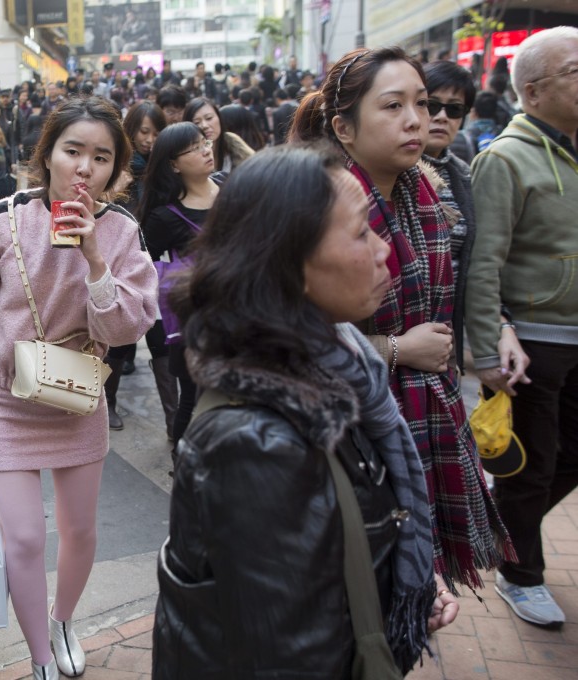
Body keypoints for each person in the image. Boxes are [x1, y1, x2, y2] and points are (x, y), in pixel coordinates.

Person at [154, 144, 456, 679]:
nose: (386, 250)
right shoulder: (253, 442)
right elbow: (288, 656)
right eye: (362, 232)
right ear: (290, 265)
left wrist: (392, 586)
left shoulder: (339, 366)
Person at [0, 96, 158, 680]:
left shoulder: (120, 231)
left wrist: (94, 256)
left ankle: (63, 619)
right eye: (73, 152)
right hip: (1, 396)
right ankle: (41, 655)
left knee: (80, 529)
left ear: (116, 169)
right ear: (47, 155)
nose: (84, 168)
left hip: (75, 396)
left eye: (101, 157)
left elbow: (123, 328)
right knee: (22, 539)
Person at [290, 46, 514, 592]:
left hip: (424, 407)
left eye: (423, 103)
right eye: (393, 106)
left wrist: (495, 324)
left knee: (406, 585)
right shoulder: (316, 206)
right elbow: (288, 338)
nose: (417, 120)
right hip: (345, 426)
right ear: (343, 127)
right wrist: (395, 350)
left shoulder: (429, 196)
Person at [467, 26, 578, 628]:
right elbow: (484, 263)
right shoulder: (504, 159)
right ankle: (521, 573)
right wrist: (487, 345)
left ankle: (501, 522)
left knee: (566, 456)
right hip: (528, 344)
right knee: (528, 464)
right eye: (576, 69)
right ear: (533, 91)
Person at [420, 60, 519, 375]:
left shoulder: (464, 175)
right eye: (431, 105)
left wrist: (501, 325)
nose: (440, 117)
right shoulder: (388, 171)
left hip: (447, 337)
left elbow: (481, 261)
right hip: (401, 335)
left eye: (454, 110)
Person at [139, 123, 223, 447]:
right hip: (193, 325)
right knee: (191, 398)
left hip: (240, 316)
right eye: (194, 147)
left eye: (205, 142)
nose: (206, 149)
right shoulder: (165, 217)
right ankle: (185, 464)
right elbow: (141, 266)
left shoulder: (232, 189)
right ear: (173, 164)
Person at [106, 101, 174, 435]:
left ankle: (174, 422)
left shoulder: (162, 169)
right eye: (143, 131)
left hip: (155, 261)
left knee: (160, 340)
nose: (149, 139)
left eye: (155, 132)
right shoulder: (121, 169)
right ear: (130, 131)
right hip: (124, 262)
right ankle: (108, 404)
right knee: (119, 340)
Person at [183, 97, 255, 174]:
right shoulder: (187, 166)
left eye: (209, 118)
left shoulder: (241, 157)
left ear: (219, 118)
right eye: (196, 122)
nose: (204, 126)